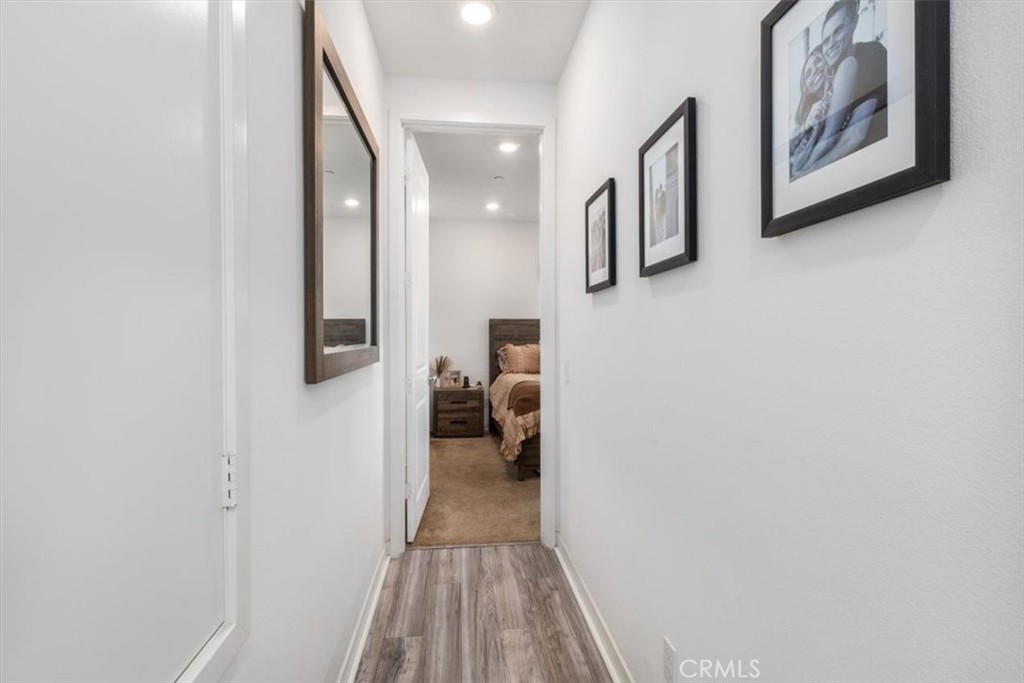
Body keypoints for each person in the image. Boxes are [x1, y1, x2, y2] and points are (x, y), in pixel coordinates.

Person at [795, 0, 888, 177]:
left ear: (854, 23)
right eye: (826, 40)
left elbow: (854, 136)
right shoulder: (830, 85)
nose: (831, 44)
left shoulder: (870, 54)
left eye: (838, 31)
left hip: (874, 171)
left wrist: (804, 175)